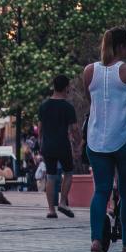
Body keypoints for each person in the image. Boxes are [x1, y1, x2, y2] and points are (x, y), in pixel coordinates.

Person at [83, 27, 126, 252]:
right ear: (122, 46)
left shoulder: (89, 71)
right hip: (124, 137)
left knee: (101, 190)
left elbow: (92, 101)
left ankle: (96, 241)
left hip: (97, 138)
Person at [39, 73, 78, 219]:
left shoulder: (44, 106)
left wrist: (41, 142)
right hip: (63, 145)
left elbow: (40, 128)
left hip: (48, 145)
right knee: (68, 173)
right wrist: (78, 143)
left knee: (50, 176)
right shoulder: (68, 107)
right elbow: (74, 129)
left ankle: (51, 210)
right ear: (66, 88)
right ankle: (62, 202)